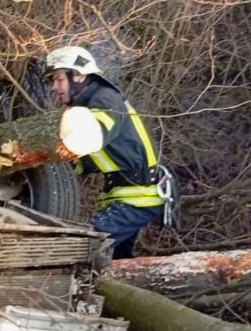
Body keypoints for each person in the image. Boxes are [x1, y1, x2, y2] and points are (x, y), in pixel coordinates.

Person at [44, 45, 171, 259]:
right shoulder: (85, 108)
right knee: (114, 262)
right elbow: (89, 160)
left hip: (140, 197)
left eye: (59, 79)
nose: (54, 87)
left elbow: (96, 135)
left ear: (79, 76)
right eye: (51, 81)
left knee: (83, 245)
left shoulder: (104, 99)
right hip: (121, 196)